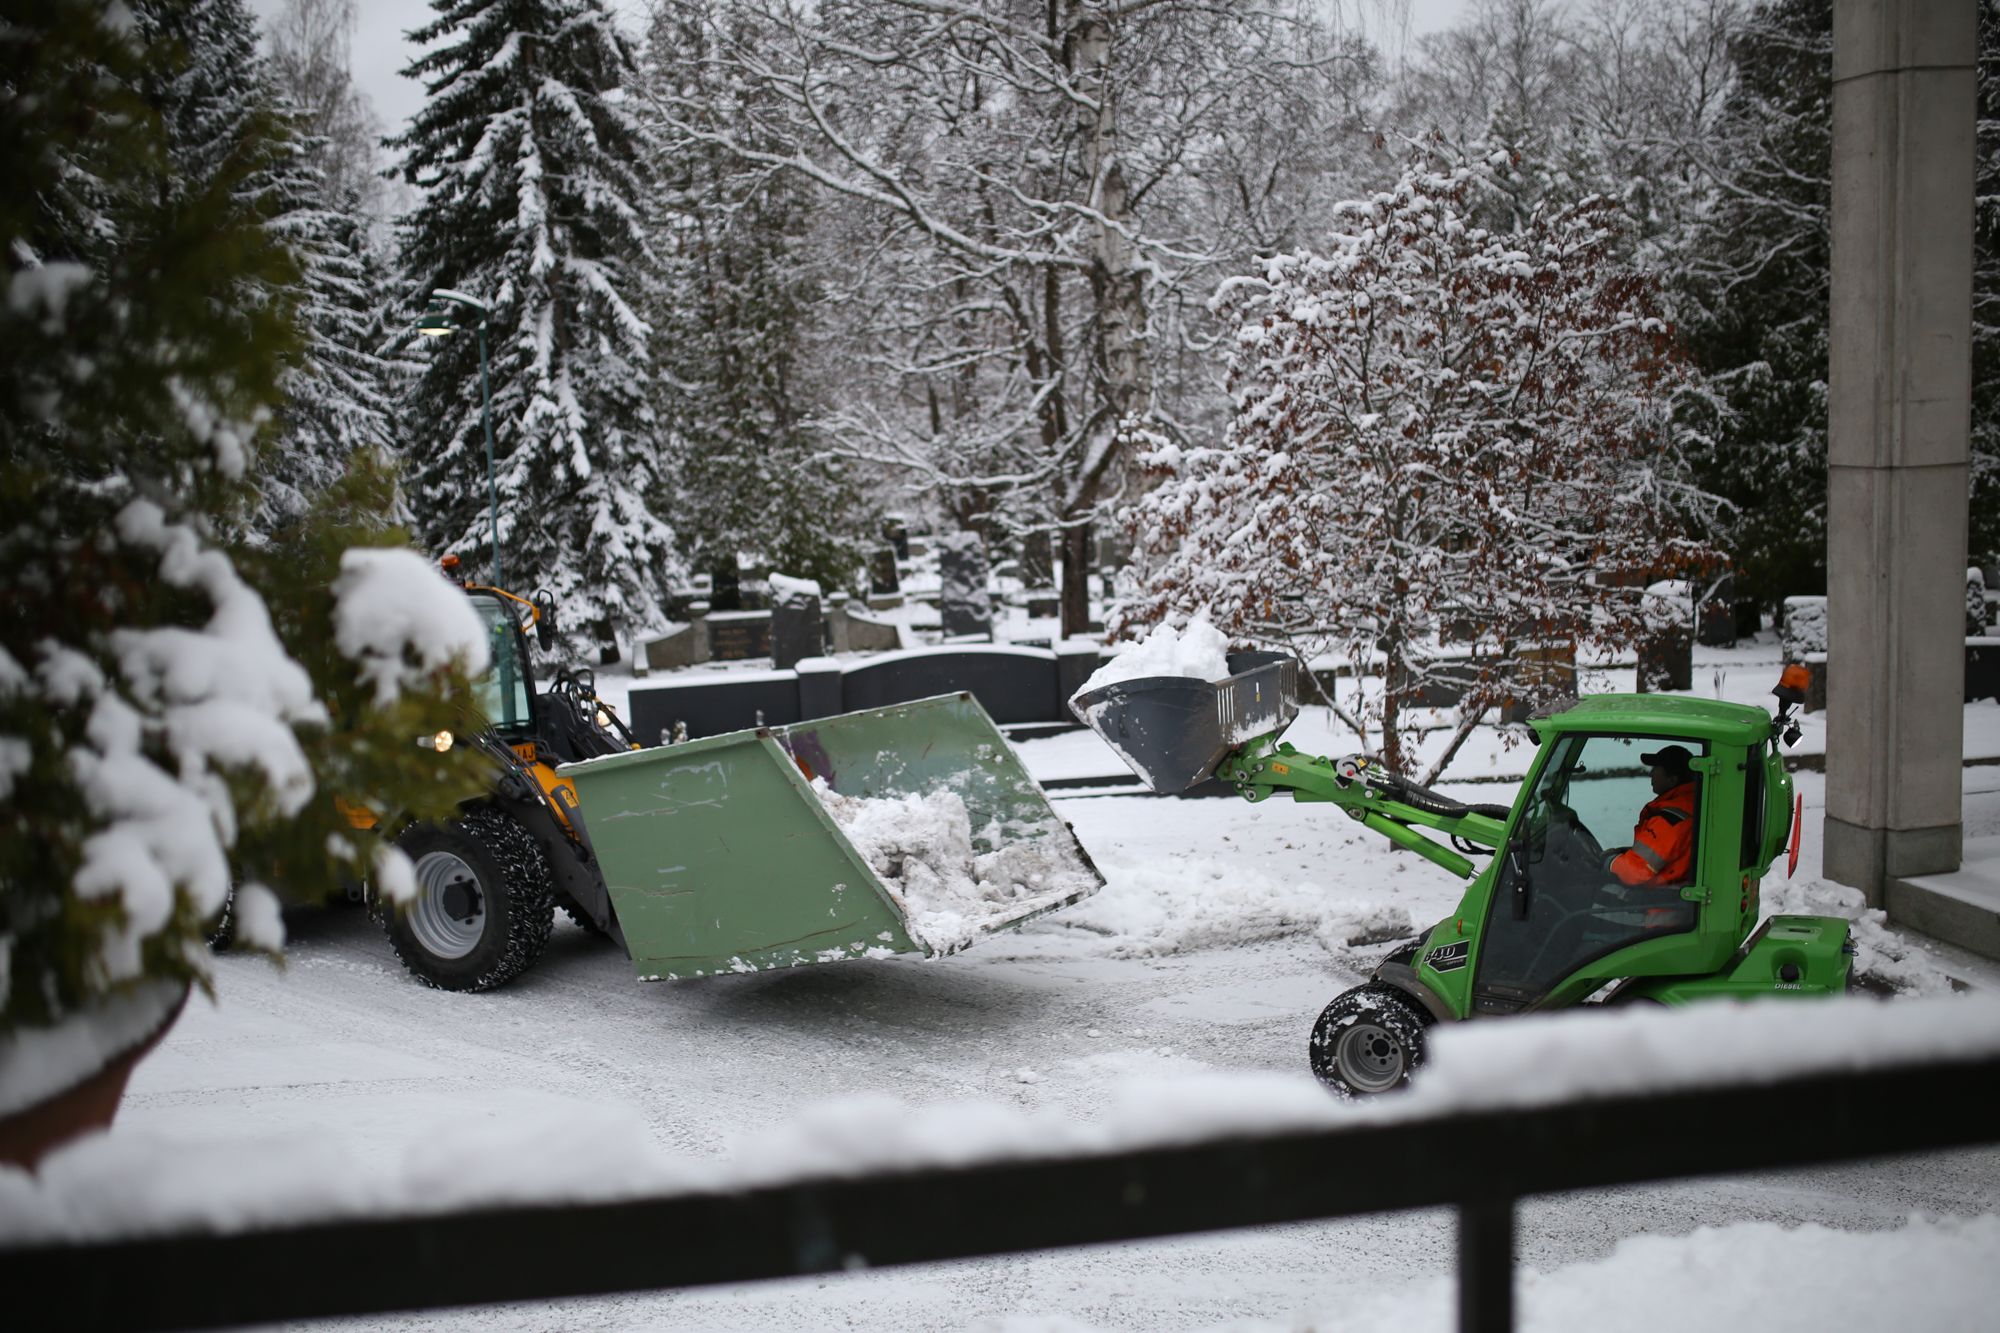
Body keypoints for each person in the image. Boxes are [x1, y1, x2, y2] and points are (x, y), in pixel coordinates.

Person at [1608, 745, 1699, 889]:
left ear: (1672, 779)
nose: (1651, 774)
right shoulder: (1690, 803)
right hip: (1671, 893)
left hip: (1659, 905)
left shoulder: (1670, 819)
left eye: (1656, 769)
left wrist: (1609, 862)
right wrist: (1624, 853)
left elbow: (1635, 872)